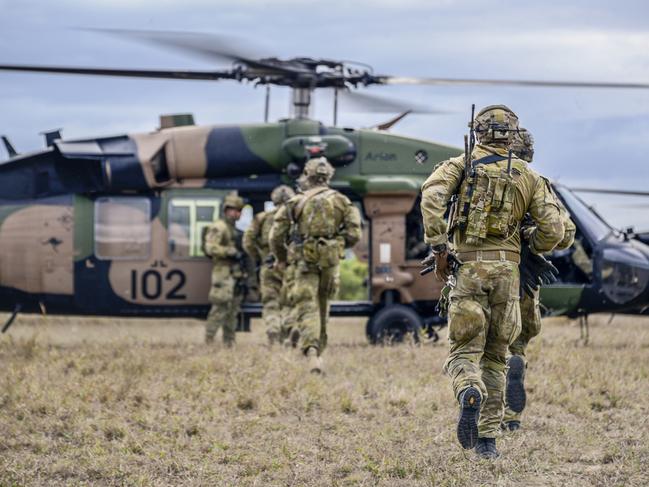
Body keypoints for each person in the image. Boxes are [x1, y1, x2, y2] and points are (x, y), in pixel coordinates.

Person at [420, 105, 564, 459]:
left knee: (464, 353)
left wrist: (439, 247)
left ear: (477, 132)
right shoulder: (529, 176)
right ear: (512, 134)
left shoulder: (459, 166)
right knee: (498, 358)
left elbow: (431, 198)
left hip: (468, 271)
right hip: (508, 274)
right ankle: (487, 441)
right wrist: (530, 245)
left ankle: (469, 388)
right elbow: (556, 229)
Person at [502, 129, 576, 431]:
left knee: (482, 347)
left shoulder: (476, 177)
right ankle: (512, 417)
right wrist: (531, 239)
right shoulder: (535, 183)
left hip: (480, 273)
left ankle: (485, 413)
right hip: (525, 275)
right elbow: (565, 232)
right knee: (515, 343)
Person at [269, 157, 361, 373]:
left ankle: (312, 353)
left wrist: (281, 258)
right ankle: (317, 350)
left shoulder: (295, 202)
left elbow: (275, 236)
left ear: (306, 175)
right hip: (330, 264)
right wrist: (336, 245)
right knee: (322, 306)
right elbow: (355, 233)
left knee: (306, 305)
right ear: (328, 176)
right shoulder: (341, 201)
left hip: (303, 263)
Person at [242, 185, 295, 345]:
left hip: (269, 266)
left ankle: (273, 330)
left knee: (271, 303)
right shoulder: (296, 219)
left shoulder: (262, 218)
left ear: (274, 199)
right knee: (290, 302)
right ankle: (290, 329)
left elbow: (248, 241)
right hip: (290, 266)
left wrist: (259, 257)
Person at [203, 192, 247, 346]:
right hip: (223, 274)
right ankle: (209, 341)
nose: (238, 214)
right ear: (227, 210)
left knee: (232, 312)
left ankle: (229, 343)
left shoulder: (232, 228)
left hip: (234, 274)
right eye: (236, 210)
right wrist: (230, 252)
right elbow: (209, 248)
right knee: (220, 309)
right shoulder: (219, 227)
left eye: (240, 211)